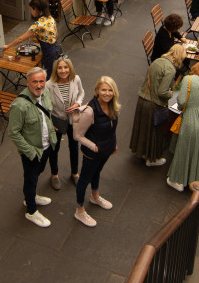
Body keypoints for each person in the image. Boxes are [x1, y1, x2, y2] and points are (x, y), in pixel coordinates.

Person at [8, 67, 57, 227]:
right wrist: (30, 152)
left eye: (41, 81)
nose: (38, 85)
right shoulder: (19, 106)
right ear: (27, 83)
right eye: (34, 82)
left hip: (46, 146)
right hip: (33, 150)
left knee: (38, 173)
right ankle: (31, 210)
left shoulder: (46, 93)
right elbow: (14, 133)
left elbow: (47, 114)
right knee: (30, 179)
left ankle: (31, 196)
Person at [73, 76, 120, 227]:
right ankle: (79, 210)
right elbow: (77, 135)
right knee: (84, 180)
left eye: (110, 90)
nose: (107, 93)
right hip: (93, 153)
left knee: (96, 173)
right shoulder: (90, 111)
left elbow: (112, 127)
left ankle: (95, 196)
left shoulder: (112, 106)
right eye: (104, 90)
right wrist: (94, 147)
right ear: (97, 91)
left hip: (107, 149)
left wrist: (114, 143)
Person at [129, 44, 187, 167]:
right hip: (154, 104)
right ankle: (151, 159)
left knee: (143, 130)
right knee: (154, 133)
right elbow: (162, 92)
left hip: (142, 99)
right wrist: (172, 94)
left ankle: (143, 153)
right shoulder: (170, 69)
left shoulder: (157, 61)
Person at [167, 61, 199, 192]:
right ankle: (195, 181)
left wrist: (184, 107)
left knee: (184, 149)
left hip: (190, 119)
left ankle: (177, 180)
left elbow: (182, 101)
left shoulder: (188, 79)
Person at [46, 56, 85, 190]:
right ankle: (54, 175)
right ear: (55, 70)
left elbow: (81, 93)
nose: (63, 70)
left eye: (66, 67)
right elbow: (45, 105)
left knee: (74, 147)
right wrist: (49, 122)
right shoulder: (49, 85)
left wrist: (77, 104)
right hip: (57, 120)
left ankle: (75, 173)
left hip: (72, 120)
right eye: (60, 68)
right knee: (54, 148)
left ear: (70, 68)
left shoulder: (76, 79)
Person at [3, 0, 57, 80]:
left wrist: (8, 46)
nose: (31, 12)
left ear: (36, 9)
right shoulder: (50, 18)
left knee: (46, 77)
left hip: (47, 53)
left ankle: (44, 92)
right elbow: (55, 33)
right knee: (48, 74)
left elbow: (21, 39)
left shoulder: (37, 25)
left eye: (31, 9)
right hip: (53, 50)